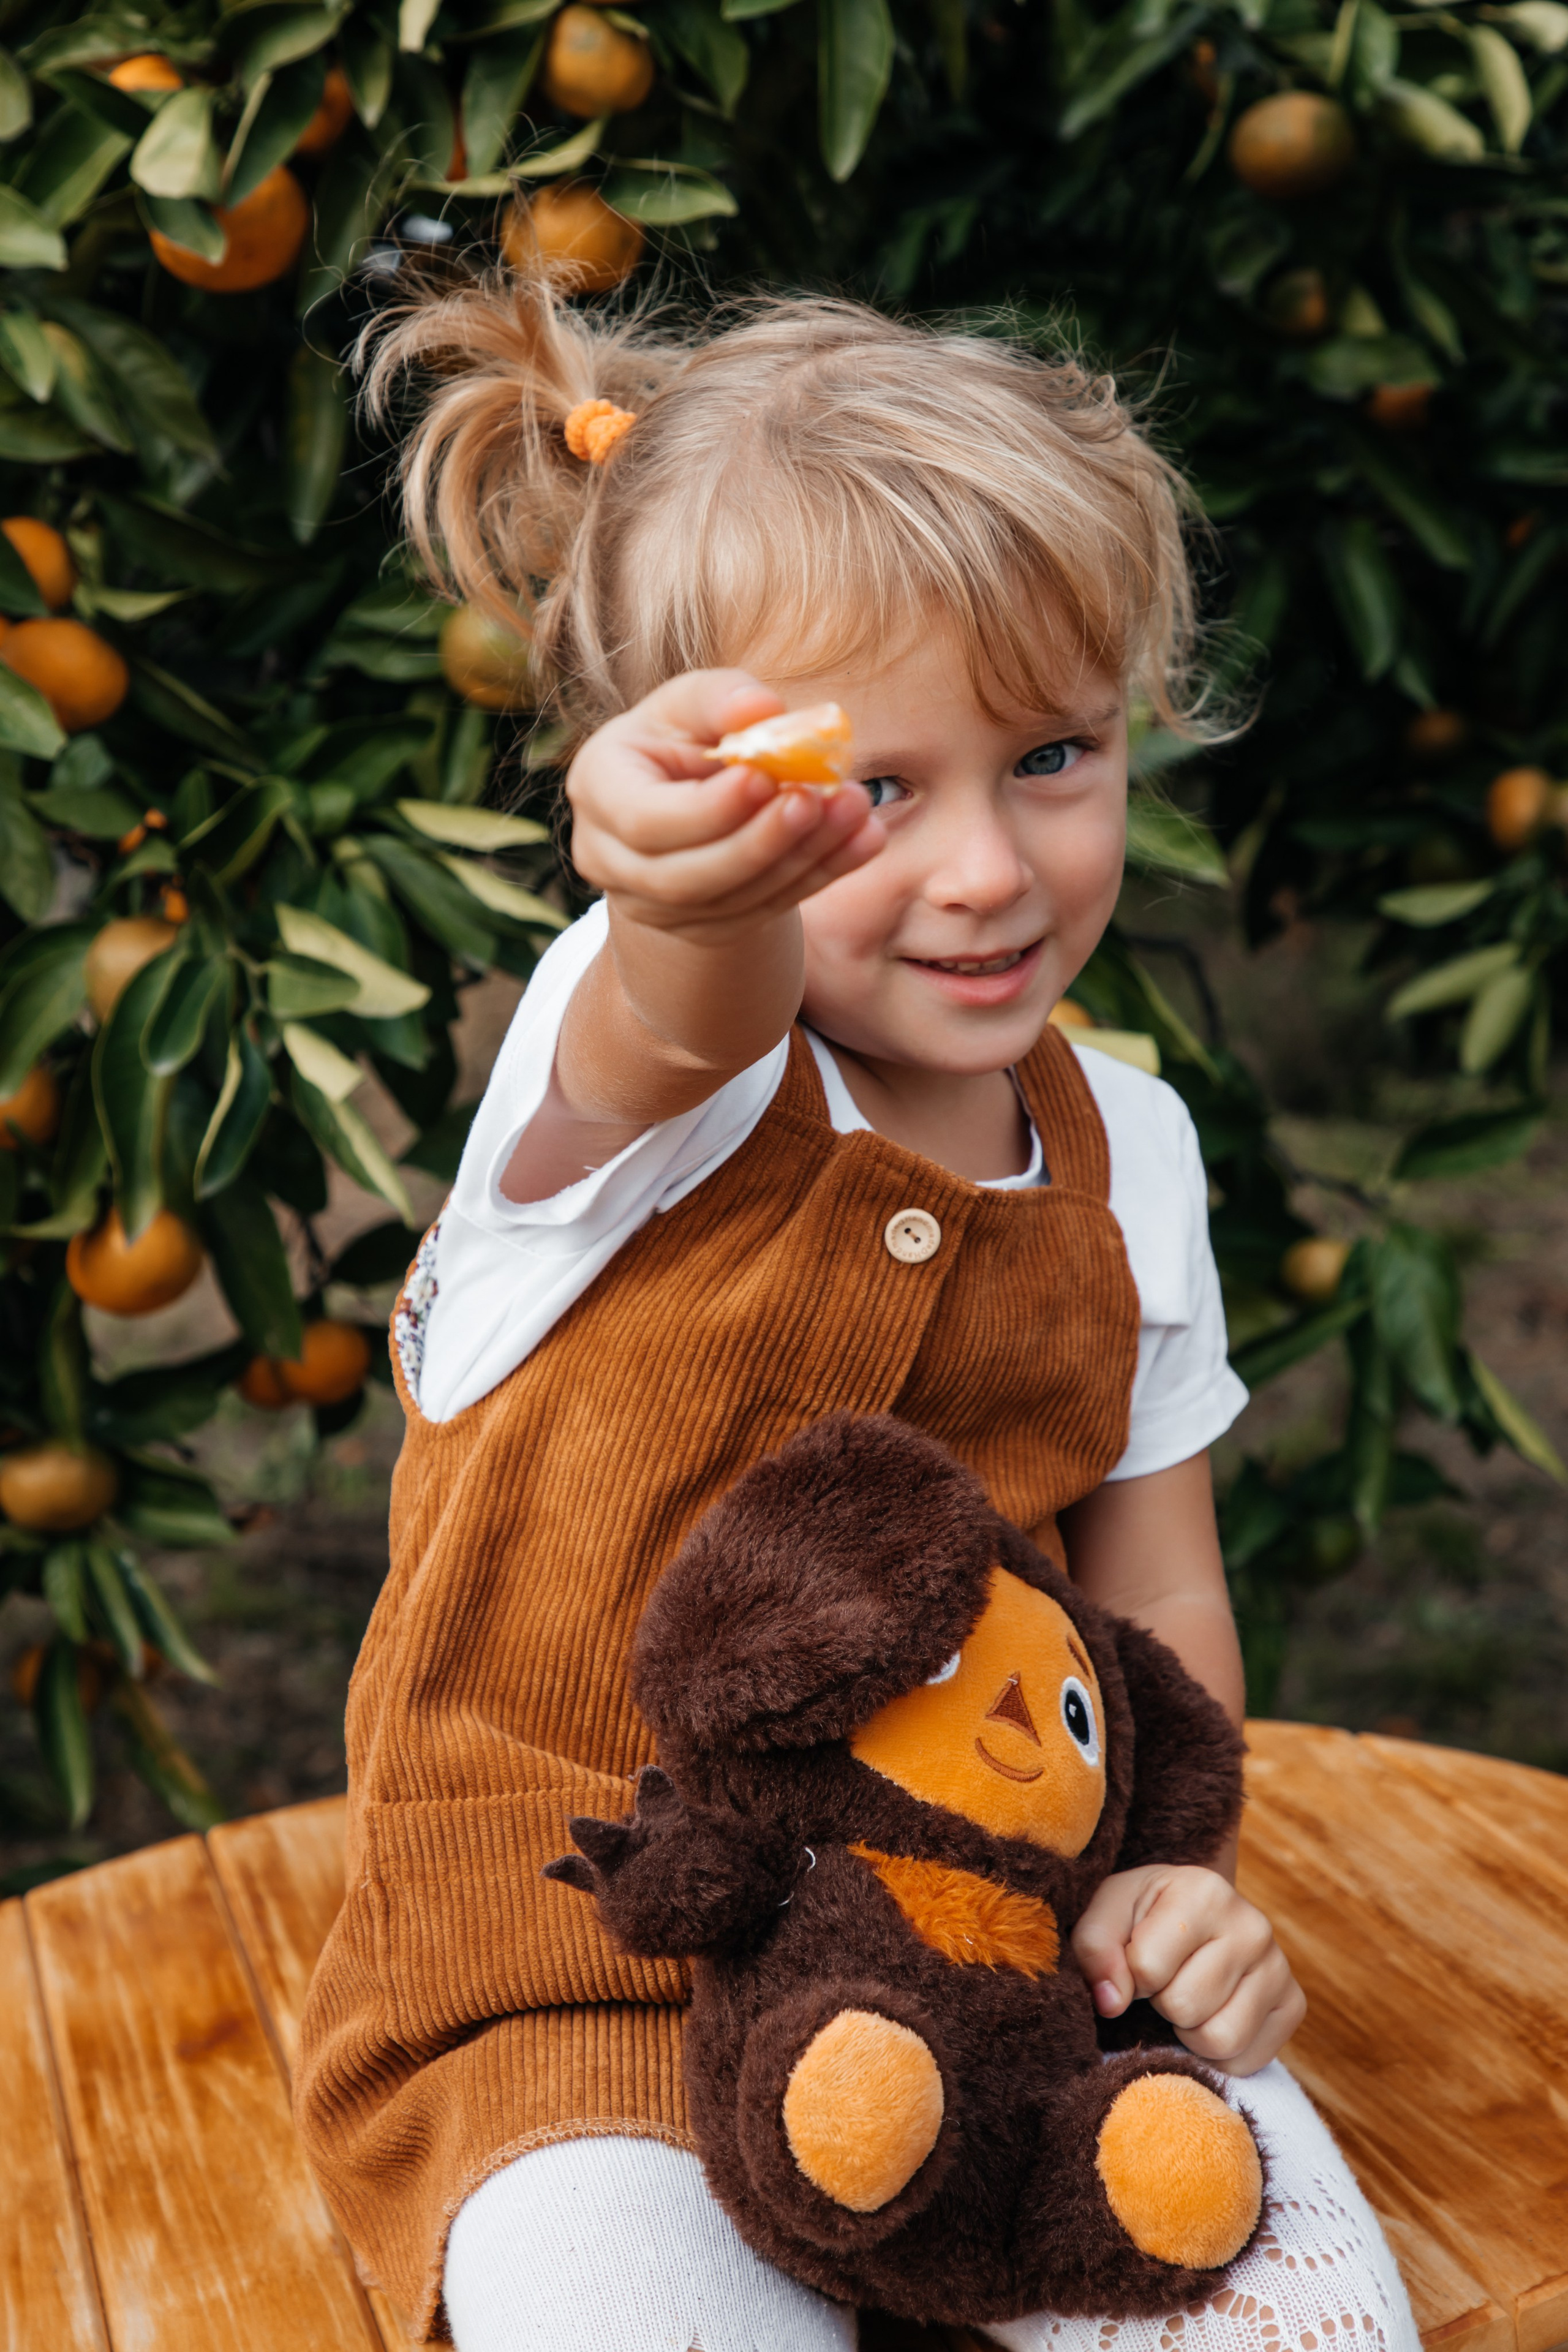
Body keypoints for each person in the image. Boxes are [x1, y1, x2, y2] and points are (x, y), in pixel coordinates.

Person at [295, 275, 1419, 2352]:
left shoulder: (1133, 1150)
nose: (990, 871)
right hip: (580, 1984)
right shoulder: (659, 1055)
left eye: (1055, 753)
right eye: (874, 793)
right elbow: (680, 999)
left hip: (989, 1956)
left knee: (1296, 2307)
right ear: (720, 795)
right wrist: (677, 894)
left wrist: (1171, 1876)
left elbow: (1152, 1596)